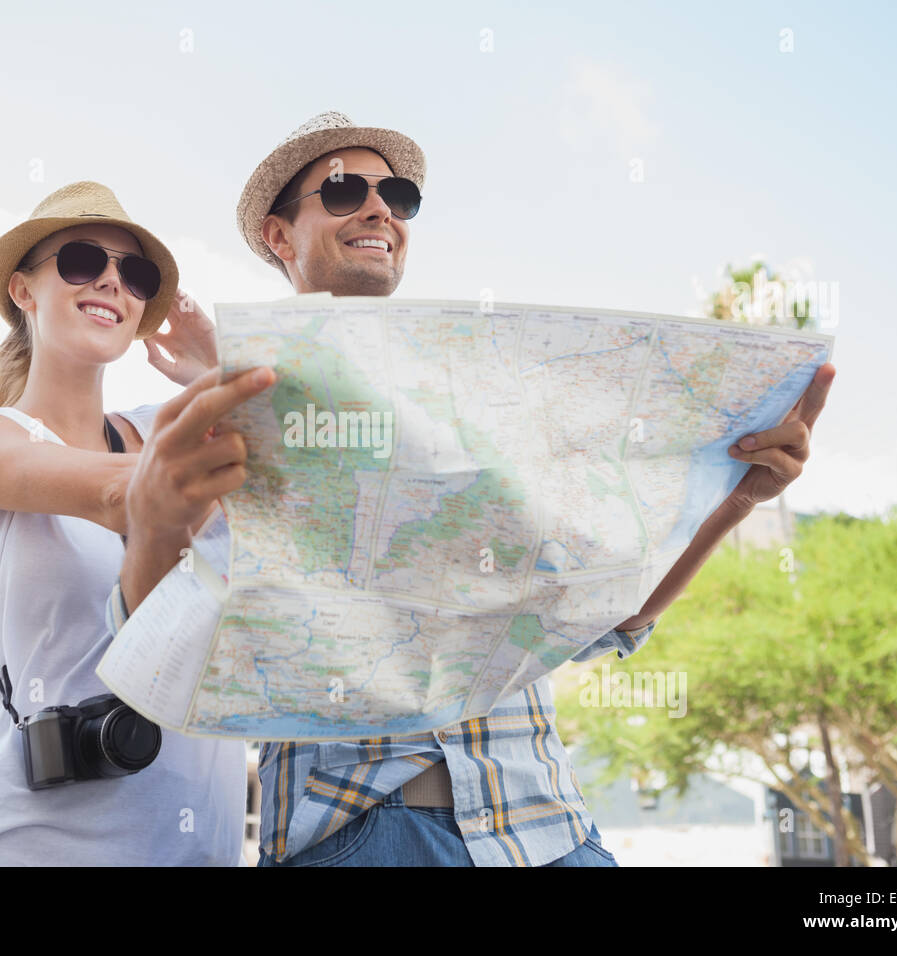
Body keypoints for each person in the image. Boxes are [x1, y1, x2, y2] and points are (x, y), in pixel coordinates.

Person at [117, 112, 836, 867]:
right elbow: (152, 647)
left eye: (397, 195)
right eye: (341, 191)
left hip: (551, 833)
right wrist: (154, 519)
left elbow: (612, 618)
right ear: (277, 235)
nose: (378, 209)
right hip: (364, 838)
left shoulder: (495, 410)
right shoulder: (221, 423)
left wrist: (740, 502)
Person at [0, 181, 261, 865]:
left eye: (135, 274)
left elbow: (317, 491)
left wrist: (217, 365)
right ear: (23, 290)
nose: (111, 280)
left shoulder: (158, 432)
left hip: (197, 845)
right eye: (81, 261)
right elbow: (116, 496)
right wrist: (227, 418)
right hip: (26, 844)